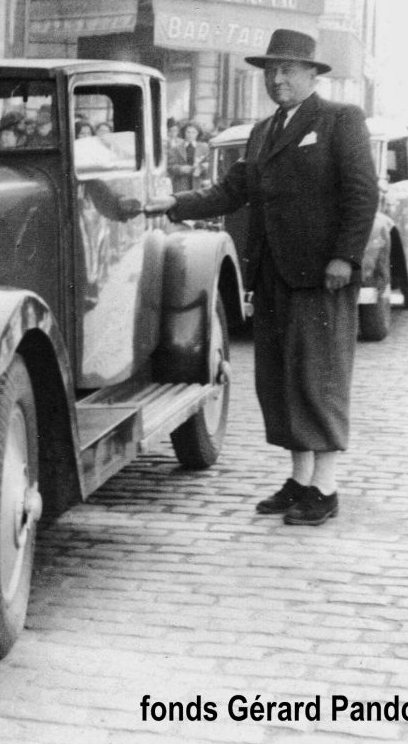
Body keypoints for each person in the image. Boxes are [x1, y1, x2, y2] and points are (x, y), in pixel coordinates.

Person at [153, 29, 379, 526]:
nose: (277, 79)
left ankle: (326, 487)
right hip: (273, 274)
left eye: (288, 70)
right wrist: (173, 204)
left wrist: (343, 257)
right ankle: (299, 479)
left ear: (311, 74)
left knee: (318, 378)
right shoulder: (262, 132)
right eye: (270, 71)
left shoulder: (340, 120)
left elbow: (363, 195)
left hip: (321, 276)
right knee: (279, 380)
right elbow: (231, 191)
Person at [168, 122, 209, 191]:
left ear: (198, 133)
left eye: (193, 132)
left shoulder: (204, 148)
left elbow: (210, 164)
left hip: (199, 183)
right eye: (188, 132)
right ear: (184, 133)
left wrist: (202, 167)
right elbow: (170, 167)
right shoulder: (176, 149)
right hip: (181, 184)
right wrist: (180, 169)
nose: (190, 135)